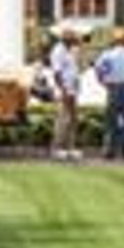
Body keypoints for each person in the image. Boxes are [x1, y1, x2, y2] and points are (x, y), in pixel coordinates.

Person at [94, 24, 124, 160]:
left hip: (113, 87)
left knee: (111, 120)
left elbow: (98, 69)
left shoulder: (107, 55)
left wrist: (102, 81)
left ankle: (110, 150)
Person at [42, 31, 84, 159]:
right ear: (65, 39)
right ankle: (57, 148)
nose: (75, 41)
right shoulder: (58, 51)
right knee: (63, 119)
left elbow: (74, 69)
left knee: (72, 119)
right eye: (73, 39)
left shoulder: (70, 51)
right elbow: (57, 73)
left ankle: (70, 148)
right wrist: (64, 90)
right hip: (64, 90)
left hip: (72, 89)